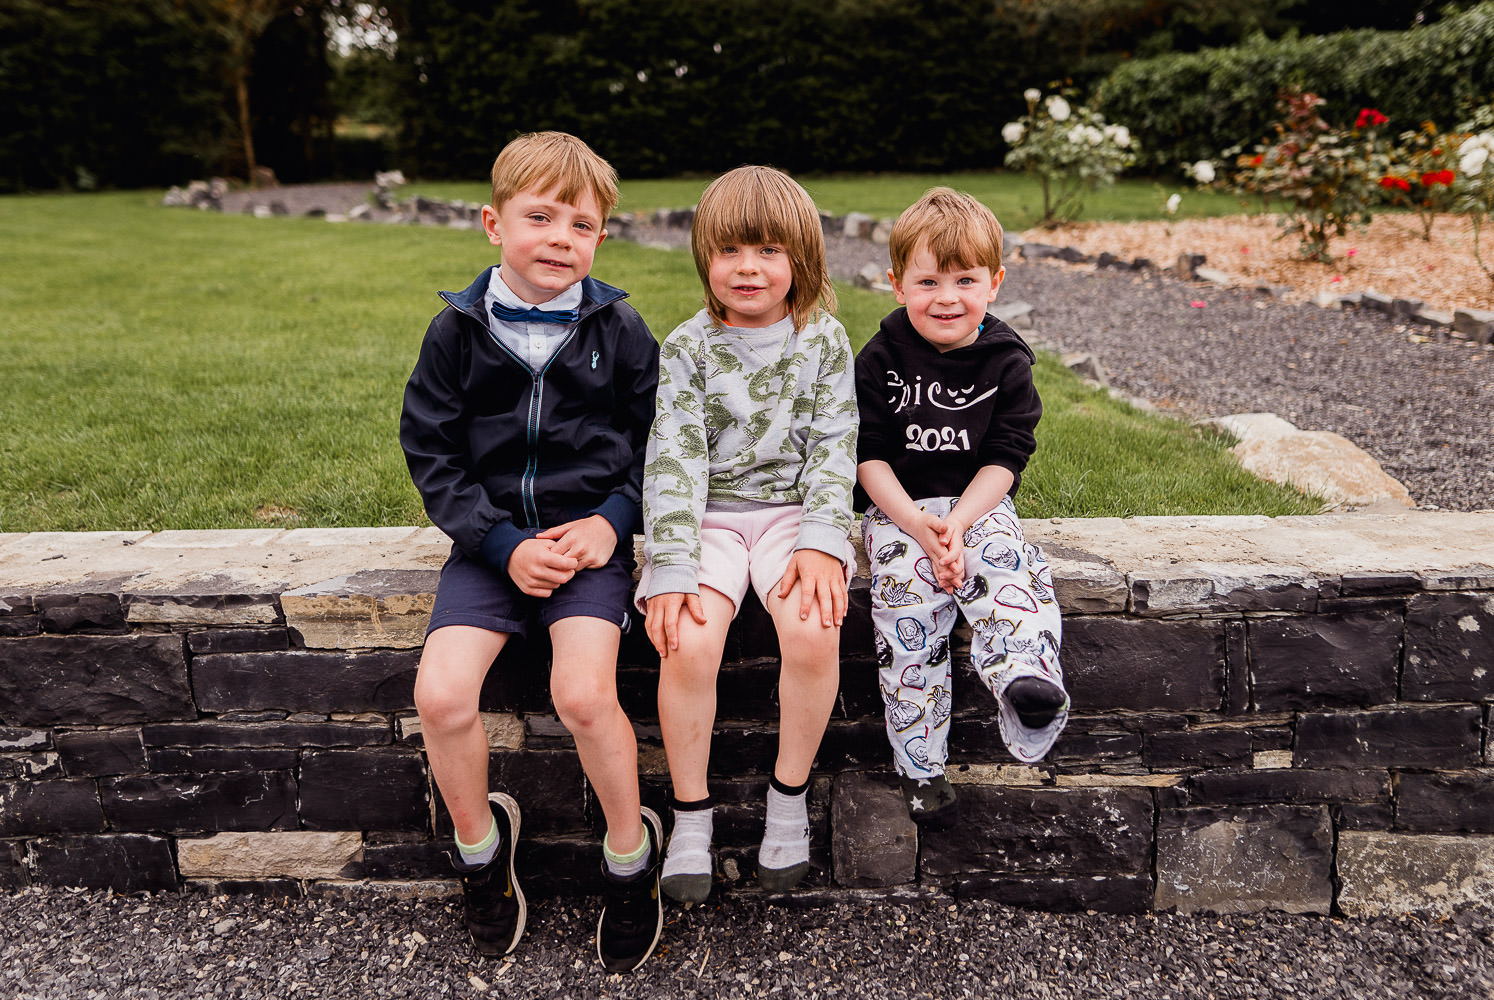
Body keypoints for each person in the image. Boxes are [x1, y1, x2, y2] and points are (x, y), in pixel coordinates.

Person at [399, 131, 662, 972]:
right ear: (492, 223)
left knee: (583, 693)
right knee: (440, 696)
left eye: (580, 225)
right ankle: (482, 855)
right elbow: (431, 453)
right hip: (489, 546)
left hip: (589, 545)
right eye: (539, 216)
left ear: (600, 239)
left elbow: (664, 444)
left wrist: (614, 521)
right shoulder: (457, 332)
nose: (559, 238)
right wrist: (500, 542)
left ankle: (631, 856)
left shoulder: (617, 328)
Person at [638, 165, 858, 904]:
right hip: (708, 520)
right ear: (705, 257)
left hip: (794, 518)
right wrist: (670, 562)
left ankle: (787, 795)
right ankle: (692, 811)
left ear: (802, 257)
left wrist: (826, 538)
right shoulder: (689, 348)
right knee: (688, 640)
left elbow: (835, 446)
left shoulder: (824, 342)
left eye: (768, 250)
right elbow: (674, 457)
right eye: (730, 250)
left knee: (813, 629)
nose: (748, 268)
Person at [854, 187, 1068, 829]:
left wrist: (962, 524)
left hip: (979, 503)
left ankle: (1026, 681)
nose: (947, 298)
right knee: (906, 607)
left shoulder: (1007, 362)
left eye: (965, 280)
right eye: (928, 281)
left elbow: (1006, 457)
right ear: (896, 284)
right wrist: (918, 526)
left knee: (1005, 568)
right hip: (898, 507)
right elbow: (867, 456)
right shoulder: (881, 357)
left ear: (995, 282)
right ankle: (921, 764)